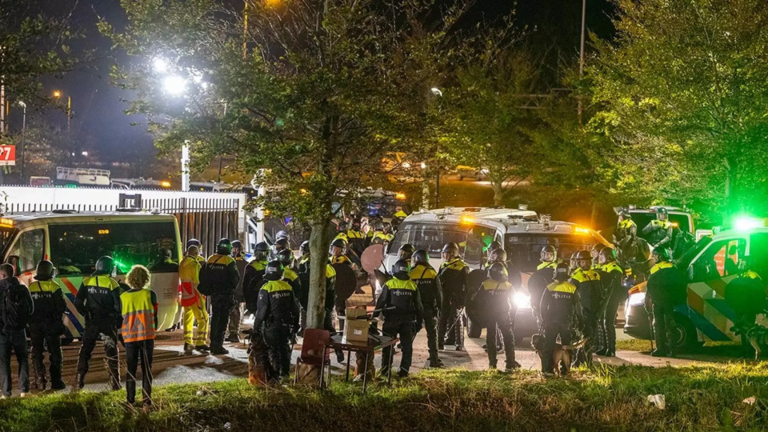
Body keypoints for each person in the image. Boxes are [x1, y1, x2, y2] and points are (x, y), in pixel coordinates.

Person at [75, 256, 122, 391]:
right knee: (111, 351)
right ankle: (115, 383)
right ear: (108, 268)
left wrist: (86, 313)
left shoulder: (86, 281)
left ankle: (79, 381)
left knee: (86, 350)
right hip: (107, 322)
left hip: (92, 322)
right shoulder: (112, 283)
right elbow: (118, 307)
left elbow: (78, 302)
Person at [375, 259, 423, 378]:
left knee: (388, 346)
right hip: (407, 321)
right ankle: (404, 371)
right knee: (407, 347)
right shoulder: (412, 285)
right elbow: (419, 307)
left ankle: (386, 371)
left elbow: (381, 302)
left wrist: (373, 320)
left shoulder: (390, 284)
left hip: (391, 321)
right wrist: (419, 323)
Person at [253, 260, 299, 382]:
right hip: (286, 324)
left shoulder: (266, 288)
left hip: (271, 325)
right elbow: (295, 308)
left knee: (273, 350)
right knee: (284, 348)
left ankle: (275, 377)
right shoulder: (287, 286)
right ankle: (285, 374)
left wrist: (255, 328)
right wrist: (296, 324)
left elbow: (261, 311)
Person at [120, 265, 158, 410]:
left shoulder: (123, 297)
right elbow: (155, 316)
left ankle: (130, 401)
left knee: (131, 369)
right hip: (147, 337)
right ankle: (147, 402)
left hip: (130, 338)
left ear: (130, 279)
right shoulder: (150, 294)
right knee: (146, 369)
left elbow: (120, 319)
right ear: (145, 279)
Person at [28, 260, 67, 391]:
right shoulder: (54, 287)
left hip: (35, 326)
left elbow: (27, 308)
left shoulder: (31, 287)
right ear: (51, 271)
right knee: (55, 353)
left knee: (36, 352)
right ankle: (56, 381)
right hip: (52, 325)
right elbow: (61, 307)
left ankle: (40, 381)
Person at [472, 262, 519, 371]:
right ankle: (510, 364)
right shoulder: (508, 285)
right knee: (508, 338)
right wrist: (512, 316)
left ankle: (492, 364)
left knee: (491, 339)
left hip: (489, 315)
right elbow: (514, 303)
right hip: (504, 315)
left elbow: (477, 301)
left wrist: (480, 316)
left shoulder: (485, 284)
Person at [539, 263, 582, 375]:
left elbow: (542, 307)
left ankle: (547, 370)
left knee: (548, 345)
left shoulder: (549, 287)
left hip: (551, 322)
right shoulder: (572, 288)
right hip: (566, 322)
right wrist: (581, 322)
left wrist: (544, 320)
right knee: (567, 346)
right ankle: (565, 370)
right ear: (568, 274)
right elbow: (578, 308)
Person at [200, 239, 240, 355]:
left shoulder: (211, 259)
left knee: (215, 318)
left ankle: (213, 344)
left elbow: (204, 275)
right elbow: (235, 279)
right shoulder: (229, 260)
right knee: (223, 320)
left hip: (214, 295)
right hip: (225, 295)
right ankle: (218, 346)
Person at [646, 248, 686, 357]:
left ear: (658, 257)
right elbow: (681, 284)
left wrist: (647, 302)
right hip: (670, 302)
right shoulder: (673, 268)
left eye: (653, 256)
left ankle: (661, 349)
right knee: (671, 323)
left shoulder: (654, 270)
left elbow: (649, 288)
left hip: (657, 302)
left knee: (658, 325)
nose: (652, 259)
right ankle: (673, 350)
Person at [0, 263, 33, 398]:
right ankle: (24, 391)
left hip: (2, 332)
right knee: (23, 359)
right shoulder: (23, 288)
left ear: (2, 275)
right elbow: (31, 309)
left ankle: (6, 393)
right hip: (20, 330)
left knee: (4, 361)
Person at [725, 256, 766, 358]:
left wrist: (753, 307)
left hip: (749, 308)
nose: (740, 264)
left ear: (747, 264)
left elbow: (758, 291)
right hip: (741, 307)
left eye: (742, 262)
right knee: (743, 331)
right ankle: (745, 351)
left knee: (749, 332)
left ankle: (749, 352)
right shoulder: (742, 274)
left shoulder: (753, 275)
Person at [410, 249, 443, 367]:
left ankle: (406, 359)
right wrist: (440, 308)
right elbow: (438, 293)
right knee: (432, 333)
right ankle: (434, 359)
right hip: (429, 307)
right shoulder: (432, 273)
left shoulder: (411, 273)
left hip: (415, 308)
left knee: (411, 332)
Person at [569, 250, 602, 366]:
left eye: (587, 261)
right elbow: (571, 293)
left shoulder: (595, 275)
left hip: (595, 310)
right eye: (583, 262)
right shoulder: (576, 276)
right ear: (578, 262)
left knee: (591, 336)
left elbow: (600, 293)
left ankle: (582, 359)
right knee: (584, 336)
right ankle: (583, 360)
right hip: (583, 310)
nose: (586, 264)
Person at [438, 243, 468, 351]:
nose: (444, 256)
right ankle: (441, 342)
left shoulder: (462, 267)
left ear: (453, 254)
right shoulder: (443, 265)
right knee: (443, 319)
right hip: (444, 296)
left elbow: (467, 284)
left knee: (457, 320)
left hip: (456, 297)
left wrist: (463, 299)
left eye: (446, 254)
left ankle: (459, 343)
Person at [179, 245, 209, 354]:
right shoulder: (194, 265)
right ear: (196, 254)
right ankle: (200, 342)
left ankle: (188, 342)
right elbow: (197, 282)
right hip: (195, 296)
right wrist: (203, 294)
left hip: (186, 295)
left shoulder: (182, 263)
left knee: (188, 319)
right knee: (204, 318)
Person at [596, 247, 624, 357]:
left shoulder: (615, 268)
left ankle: (611, 348)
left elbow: (613, 287)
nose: (600, 258)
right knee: (602, 322)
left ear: (608, 256)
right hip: (604, 298)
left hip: (612, 298)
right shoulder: (605, 268)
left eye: (602, 256)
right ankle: (604, 346)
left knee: (608, 322)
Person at [528, 245, 558, 330]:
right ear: (542, 255)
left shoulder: (556, 267)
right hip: (541, 295)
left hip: (553, 295)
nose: (548, 256)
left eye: (550, 254)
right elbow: (535, 284)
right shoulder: (539, 267)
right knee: (541, 319)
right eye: (546, 254)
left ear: (554, 255)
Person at [228, 240, 248, 343]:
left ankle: (234, 333)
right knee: (233, 313)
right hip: (235, 291)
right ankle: (232, 332)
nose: (232, 250)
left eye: (233, 248)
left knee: (235, 313)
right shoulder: (244, 263)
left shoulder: (240, 263)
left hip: (237, 292)